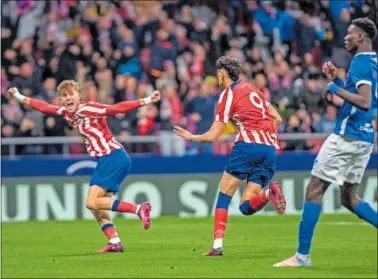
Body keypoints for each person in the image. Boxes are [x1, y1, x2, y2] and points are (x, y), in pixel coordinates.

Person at [8, 80, 161, 253]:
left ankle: (139, 209)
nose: (68, 98)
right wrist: (18, 96)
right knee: (98, 208)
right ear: (60, 100)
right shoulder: (67, 113)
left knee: (91, 202)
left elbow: (117, 108)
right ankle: (115, 241)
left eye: (71, 94)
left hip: (112, 156)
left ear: (78, 96)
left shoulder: (87, 108)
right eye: (64, 96)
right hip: (112, 158)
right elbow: (44, 107)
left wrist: (146, 100)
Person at [274, 17, 377, 268]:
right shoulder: (374, 62)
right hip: (364, 137)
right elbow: (367, 102)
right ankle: (301, 257)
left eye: (350, 33)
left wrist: (333, 88)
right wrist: (340, 83)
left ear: (361, 37)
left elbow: (363, 101)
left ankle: (301, 257)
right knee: (349, 198)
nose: (346, 37)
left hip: (346, 136)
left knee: (315, 190)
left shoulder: (360, 63)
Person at [174, 56, 286, 256]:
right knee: (245, 206)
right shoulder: (254, 90)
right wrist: (269, 137)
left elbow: (213, 136)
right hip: (269, 149)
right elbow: (277, 117)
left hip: (247, 147)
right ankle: (270, 193)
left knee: (224, 197)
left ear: (222, 74)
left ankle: (217, 246)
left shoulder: (228, 94)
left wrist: (192, 137)